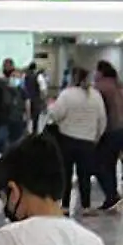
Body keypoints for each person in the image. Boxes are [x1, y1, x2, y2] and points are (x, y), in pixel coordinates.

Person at [48, 66, 108, 216]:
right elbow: (102, 119)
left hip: (67, 139)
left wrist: (50, 106)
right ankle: (86, 206)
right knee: (85, 175)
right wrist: (96, 136)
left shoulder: (67, 95)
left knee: (66, 174)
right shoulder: (95, 95)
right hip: (87, 141)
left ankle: (65, 205)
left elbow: (55, 115)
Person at [92, 61, 123, 214]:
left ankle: (111, 195)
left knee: (98, 164)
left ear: (101, 72)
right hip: (120, 129)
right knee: (110, 164)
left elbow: (99, 111)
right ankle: (112, 196)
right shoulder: (117, 86)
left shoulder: (101, 87)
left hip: (108, 130)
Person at [24, 63, 47, 134]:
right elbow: (43, 90)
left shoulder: (26, 76)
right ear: (35, 68)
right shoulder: (39, 76)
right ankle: (34, 134)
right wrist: (43, 99)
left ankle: (26, 132)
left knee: (27, 117)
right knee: (35, 119)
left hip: (26, 98)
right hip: (36, 99)